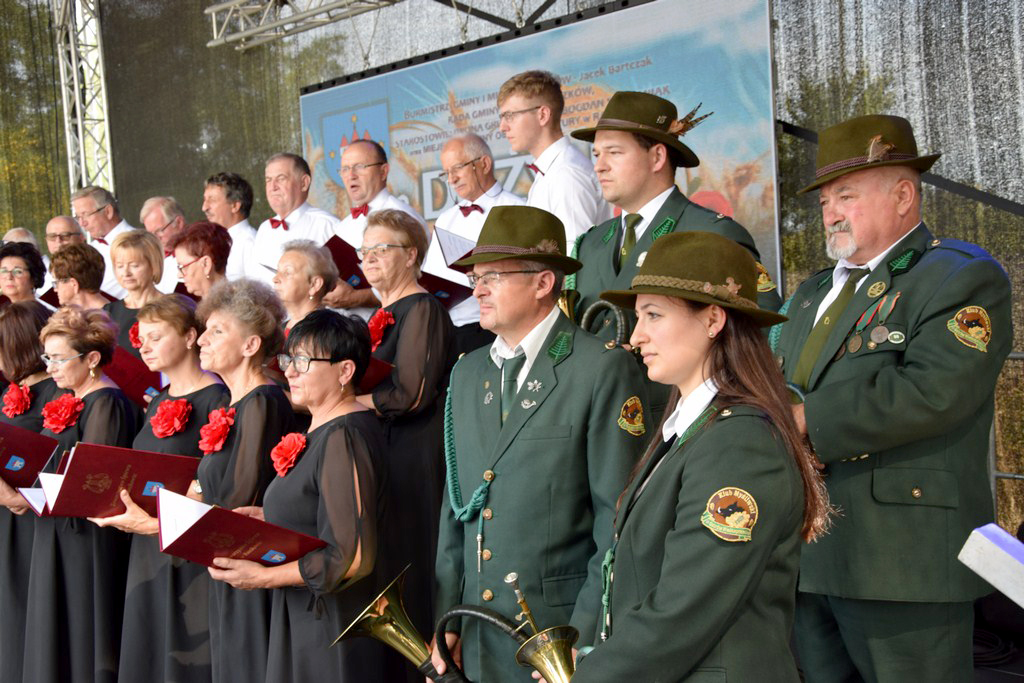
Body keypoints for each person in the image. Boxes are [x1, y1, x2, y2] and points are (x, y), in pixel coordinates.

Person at [772, 114, 1012, 682]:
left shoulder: (959, 277)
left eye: (847, 195)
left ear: (903, 195)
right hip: (810, 555)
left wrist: (805, 419)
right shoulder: (809, 295)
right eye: (826, 199)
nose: (830, 212)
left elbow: (935, 392)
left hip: (903, 563)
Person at [562, 230, 828, 682]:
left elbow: (686, 607)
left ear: (712, 320)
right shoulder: (690, 430)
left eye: (653, 315)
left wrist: (590, 675)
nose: (637, 335)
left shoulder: (738, 443)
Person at [431, 206, 649, 682]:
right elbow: (457, 510)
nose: (477, 289)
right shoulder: (467, 372)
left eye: (492, 276)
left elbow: (617, 522)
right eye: (475, 277)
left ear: (543, 283)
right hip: (477, 630)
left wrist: (582, 638)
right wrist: (447, 617)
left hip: (559, 634)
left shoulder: (599, 368)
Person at [208, 310, 400, 681]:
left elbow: (352, 558)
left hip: (333, 624)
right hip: (306, 613)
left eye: (303, 361)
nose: (290, 371)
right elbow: (321, 510)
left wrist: (262, 577)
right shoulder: (326, 430)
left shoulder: (345, 435)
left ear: (345, 372)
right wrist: (269, 518)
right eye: (287, 359)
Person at [88, 293, 227, 683]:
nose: (143, 346)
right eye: (140, 337)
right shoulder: (158, 400)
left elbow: (217, 477)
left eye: (155, 335)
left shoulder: (217, 397)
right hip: (147, 541)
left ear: (189, 337)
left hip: (188, 544)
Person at [355, 208, 456, 640]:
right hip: (386, 446)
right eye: (365, 250)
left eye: (382, 248)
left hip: (414, 451)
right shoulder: (383, 314)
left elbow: (411, 394)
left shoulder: (422, 308)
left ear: (412, 254)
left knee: (414, 557)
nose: (370, 257)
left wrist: (346, 402)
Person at [24, 306, 139, 683]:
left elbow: (97, 483)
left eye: (59, 359)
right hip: (57, 528)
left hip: (84, 536)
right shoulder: (72, 396)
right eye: (48, 358)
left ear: (92, 359)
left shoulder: (106, 402)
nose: (51, 368)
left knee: (81, 633)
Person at [193, 279, 296, 683]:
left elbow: (243, 495)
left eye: (217, 331)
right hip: (227, 559)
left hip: (252, 563)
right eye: (205, 329)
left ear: (251, 345)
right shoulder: (231, 402)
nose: (202, 339)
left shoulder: (264, 401)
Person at [0, 301, 61, 683]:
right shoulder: (9, 392)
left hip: (29, 513)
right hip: (7, 512)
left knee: (24, 606)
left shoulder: (57, 395)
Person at [431, 133, 525, 354]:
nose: (451, 179)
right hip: (449, 330)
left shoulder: (516, 209)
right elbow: (432, 273)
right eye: (446, 173)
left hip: (498, 328)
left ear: (484, 164)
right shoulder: (446, 219)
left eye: (457, 168)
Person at [497, 70, 612, 242]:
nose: (502, 127)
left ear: (542, 115)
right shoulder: (552, 170)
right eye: (502, 117)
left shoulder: (566, 173)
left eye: (510, 116)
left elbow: (575, 255)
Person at [327, 139, 427, 315]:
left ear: (383, 171)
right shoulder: (343, 226)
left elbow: (422, 281)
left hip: (396, 325)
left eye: (360, 166)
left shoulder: (403, 216)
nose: (351, 175)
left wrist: (356, 297)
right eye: (345, 169)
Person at [249, 153, 339, 286]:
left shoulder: (327, 225)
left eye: (281, 178)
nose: (273, 187)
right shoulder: (264, 229)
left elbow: (344, 286)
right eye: (268, 180)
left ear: (304, 183)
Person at [103, 230, 164, 359]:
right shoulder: (108, 312)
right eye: (120, 266)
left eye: (134, 266)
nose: (126, 273)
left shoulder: (172, 308)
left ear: (153, 266)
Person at [70, 185, 133, 299]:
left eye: (86, 215)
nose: (82, 223)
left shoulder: (139, 241)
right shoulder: (91, 249)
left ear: (108, 211)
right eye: (78, 217)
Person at [273, 239, 340, 335]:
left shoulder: (328, 334)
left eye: (287, 273)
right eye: (277, 271)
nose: (275, 279)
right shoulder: (278, 332)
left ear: (314, 284)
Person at [203, 172, 257, 281]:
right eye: (204, 200)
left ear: (235, 206)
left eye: (212, 200)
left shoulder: (250, 243)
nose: (204, 207)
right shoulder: (214, 241)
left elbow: (256, 293)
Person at [170, 220, 232, 299]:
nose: (179, 275)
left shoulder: (235, 309)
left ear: (206, 264)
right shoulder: (188, 306)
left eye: (183, 267)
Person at [140, 196, 188, 293]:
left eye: (159, 231)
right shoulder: (152, 257)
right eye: (150, 234)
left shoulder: (199, 251)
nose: (155, 238)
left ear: (179, 223)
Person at [49, 242, 112, 309]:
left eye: (57, 282)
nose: (55, 289)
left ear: (74, 284)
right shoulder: (117, 313)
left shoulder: (108, 317)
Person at [40, 216, 87, 295]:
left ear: (81, 238)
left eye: (65, 236)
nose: (58, 241)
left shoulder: (94, 267)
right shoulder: (41, 275)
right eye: (52, 237)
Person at [0, 241, 47, 305]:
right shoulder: (3, 311)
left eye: (18, 272)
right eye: (4, 271)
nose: (9, 277)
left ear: (34, 278)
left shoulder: (42, 313)